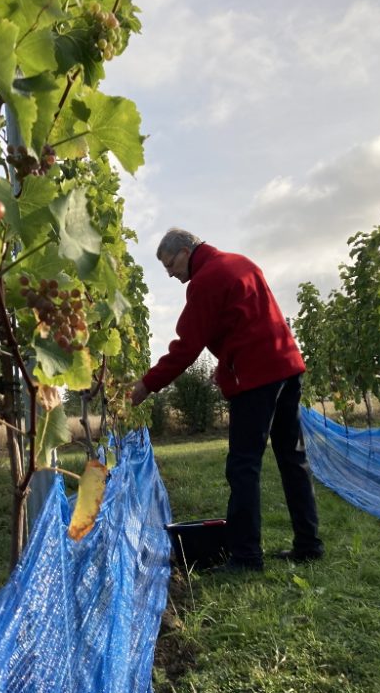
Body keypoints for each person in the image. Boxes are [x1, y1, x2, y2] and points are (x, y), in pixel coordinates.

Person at [131, 228, 323, 571]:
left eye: (171, 264)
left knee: (243, 466)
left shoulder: (205, 280)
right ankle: (309, 544)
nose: (171, 274)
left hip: (256, 377)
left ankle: (246, 556)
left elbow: (186, 348)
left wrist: (145, 385)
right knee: (293, 458)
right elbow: (249, 324)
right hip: (287, 368)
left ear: (188, 249)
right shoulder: (242, 263)